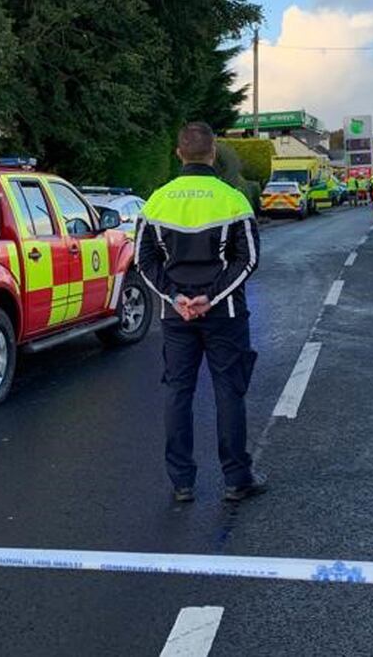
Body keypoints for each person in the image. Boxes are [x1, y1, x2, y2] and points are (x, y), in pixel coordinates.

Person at [136, 121, 267, 504]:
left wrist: (176, 297)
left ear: (179, 154)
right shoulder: (233, 199)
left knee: (178, 392)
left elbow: (144, 263)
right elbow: (249, 260)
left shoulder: (156, 201)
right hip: (224, 313)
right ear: (213, 153)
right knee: (229, 391)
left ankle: (182, 483)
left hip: (176, 318)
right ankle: (236, 480)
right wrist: (211, 297)